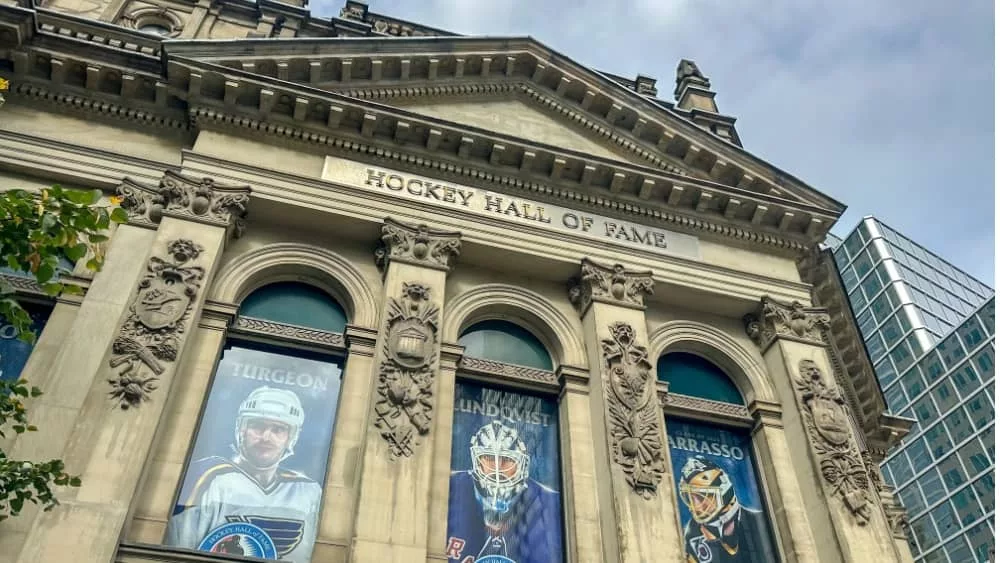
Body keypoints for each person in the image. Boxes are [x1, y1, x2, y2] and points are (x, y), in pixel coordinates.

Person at [165, 386, 321, 563]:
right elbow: (178, 552)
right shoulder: (209, 477)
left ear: (290, 438)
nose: (266, 437)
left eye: (278, 429)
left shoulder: (308, 491)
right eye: (257, 426)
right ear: (241, 429)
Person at [446, 421, 562, 563]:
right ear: (476, 460)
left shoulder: (548, 504)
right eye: (489, 457)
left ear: (521, 465)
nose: (497, 467)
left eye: (507, 459)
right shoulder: (450, 488)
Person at [677, 455, 778, 563]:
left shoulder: (761, 525)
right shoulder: (689, 538)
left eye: (701, 496)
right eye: (690, 499)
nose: (696, 505)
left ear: (723, 490)